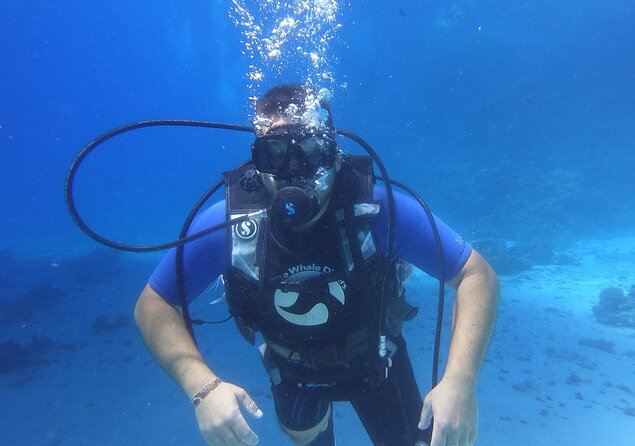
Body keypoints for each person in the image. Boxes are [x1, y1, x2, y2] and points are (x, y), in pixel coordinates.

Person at [134, 84, 499, 446]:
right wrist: (203, 389)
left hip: (376, 358)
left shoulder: (379, 211)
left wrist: (460, 383)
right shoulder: (230, 226)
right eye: (276, 153)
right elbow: (154, 303)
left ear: (335, 156)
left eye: (312, 151)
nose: (295, 171)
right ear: (257, 161)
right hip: (293, 371)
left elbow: (475, 275)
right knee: (305, 432)